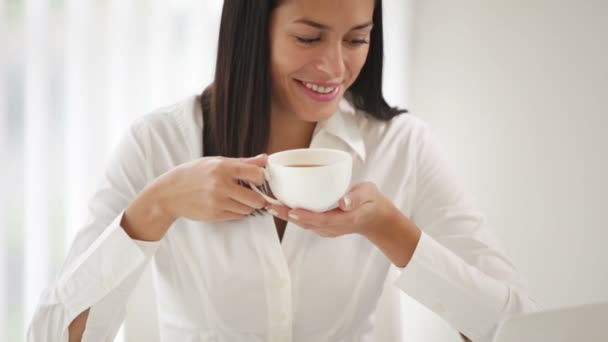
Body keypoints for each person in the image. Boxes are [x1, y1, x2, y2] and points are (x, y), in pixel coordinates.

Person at [28, 0, 537, 341]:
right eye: (309, 38)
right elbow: (50, 334)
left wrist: (391, 230)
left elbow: (517, 327)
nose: (335, 68)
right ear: (254, 31)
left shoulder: (402, 146)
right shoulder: (158, 144)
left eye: (356, 39)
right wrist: (155, 208)